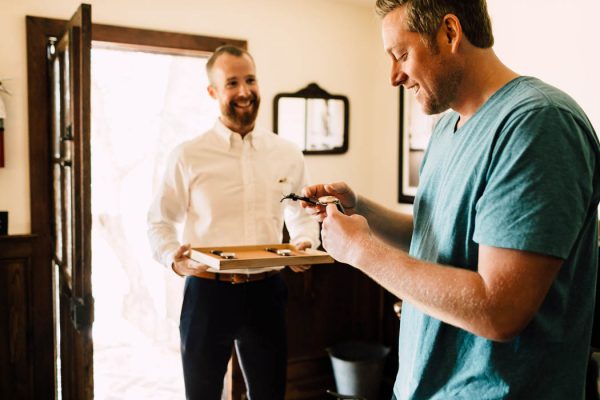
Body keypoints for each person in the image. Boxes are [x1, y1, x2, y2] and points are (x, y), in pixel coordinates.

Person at [302, 1, 600, 399]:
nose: (394, 76)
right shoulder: (445, 130)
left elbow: (500, 309)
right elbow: (437, 240)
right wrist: (363, 211)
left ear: (449, 33)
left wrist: (360, 250)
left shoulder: (538, 123)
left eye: (401, 55)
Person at [147, 45, 320, 400]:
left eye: (251, 80)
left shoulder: (287, 152)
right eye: (232, 83)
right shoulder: (187, 155)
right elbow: (159, 222)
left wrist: (306, 243)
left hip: (267, 292)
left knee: (269, 395)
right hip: (207, 295)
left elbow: (300, 213)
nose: (244, 91)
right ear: (213, 92)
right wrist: (173, 258)